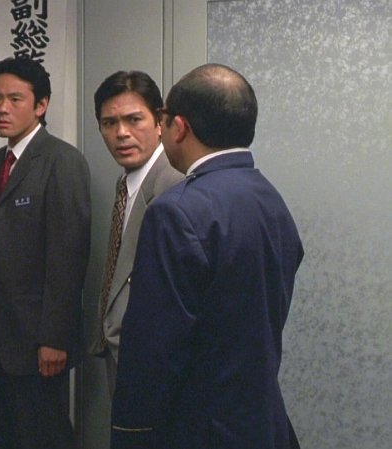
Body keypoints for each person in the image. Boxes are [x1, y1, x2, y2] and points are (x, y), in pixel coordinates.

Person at [109, 63, 304, 448]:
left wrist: (130, 434)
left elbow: (153, 351)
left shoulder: (175, 211)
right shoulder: (269, 198)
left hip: (196, 428)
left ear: (179, 127)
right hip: (260, 422)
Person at [0, 57, 91, 449]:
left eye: (15, 99)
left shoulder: (62, 160)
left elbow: (69, 258)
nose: (2, 108)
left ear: (41, 105)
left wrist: (56, 337)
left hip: (37, 334)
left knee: (44, 435)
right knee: (4, 434)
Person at [87, 71, 183, 398]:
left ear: (160, 122)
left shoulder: (174, 182)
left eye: (134, 119)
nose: (121, 133)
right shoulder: (127, 182)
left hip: (156, 361)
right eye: (109, 123)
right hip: (122, 350)